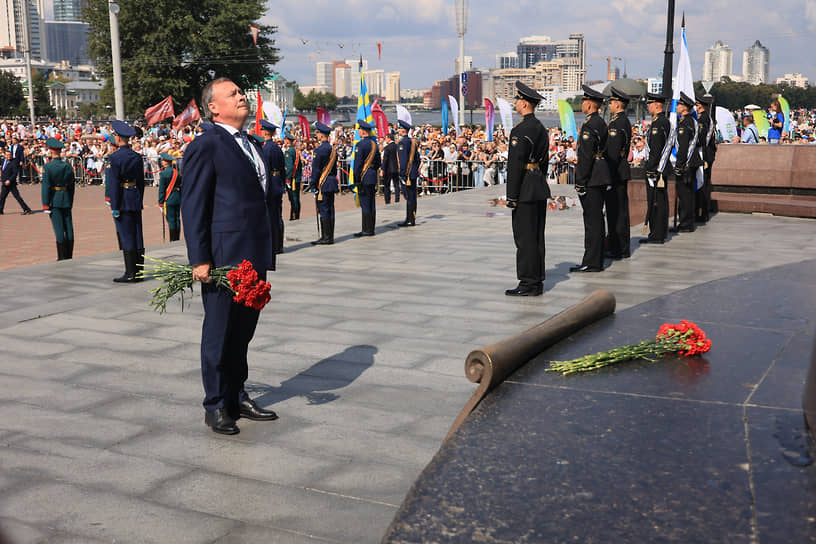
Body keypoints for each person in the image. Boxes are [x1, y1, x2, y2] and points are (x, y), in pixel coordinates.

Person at [181, 77, 278, 435]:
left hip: (253, 254)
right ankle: (217, 404)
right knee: (220, 332)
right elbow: (194, 206)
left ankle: (238, 393)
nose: (241, 97)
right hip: (224, 257)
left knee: (243, 332)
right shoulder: (207, 145)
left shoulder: (251, 143)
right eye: (233, 94)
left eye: (240, 93)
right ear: (213, 107)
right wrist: (200, 259)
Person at [504, 81, 550, 297]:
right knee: (537, 236)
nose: (515, 103)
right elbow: (545, 161)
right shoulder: (540, 127)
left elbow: (515, 166)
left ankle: (527, 282)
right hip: (538, 185)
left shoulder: (521, 130)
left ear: (523, 103)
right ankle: (537, 280)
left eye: (516, 100)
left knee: (524, 238)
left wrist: (511, 196)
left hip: (524, 189)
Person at [570, 85, 610, 273]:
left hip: (593, 177)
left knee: (592, 221)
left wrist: (580, 181)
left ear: (591, 104)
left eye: (585, 101)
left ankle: (592, 261)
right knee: (596, 219)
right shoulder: (600, 122)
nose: (583, 104)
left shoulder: (590, 125)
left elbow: (586, 156)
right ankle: (595, 258)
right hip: (600, 173)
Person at [108, 120, 146, 283]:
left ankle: (130, 273)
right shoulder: (136, 157)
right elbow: (141, 182)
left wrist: (114, 206)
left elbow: (114, 184)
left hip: (122, 198)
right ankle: (138, 271)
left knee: (126, 235)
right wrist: (139, 198)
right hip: (134, 197)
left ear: (117, 138)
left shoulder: (115, 157)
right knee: (137, 234)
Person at [604, 87, 633, 259]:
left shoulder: (616, 124)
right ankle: (620, 246)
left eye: (611, 102)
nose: (609, 105)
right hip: (621, 170)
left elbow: (613, 153)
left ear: (617, 104)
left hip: (616, 172)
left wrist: (607, 175)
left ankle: (619, 247)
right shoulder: (623, 121)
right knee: (618, 211)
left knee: (616, 212)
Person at [640, 92, 672, 244]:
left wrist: (650, 168)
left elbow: (656, 149)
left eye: (649, 103)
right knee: (658, 200)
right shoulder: (659, 121)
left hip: (656, 170)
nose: (648, 106)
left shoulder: (659, 123)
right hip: (659, 168)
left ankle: (657, 234)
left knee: (657, 202)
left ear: (657, 105)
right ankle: (658, 232)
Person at [40, 138, 75, 259]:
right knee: (69, 228)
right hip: (66, 198)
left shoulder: (48, 167)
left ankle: (61, 256)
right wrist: (70, 200)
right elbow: (72, 186)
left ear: (50, 151)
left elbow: (46, 187)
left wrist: (45, 204)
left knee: (59, 229)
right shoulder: (67, 166)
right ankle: (69, 254)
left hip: (54, 200)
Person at [673, 92, 702, 233]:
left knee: (684, 194)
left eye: (679, 104)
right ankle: (686, 222)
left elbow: (683, 147)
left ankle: (685, 223)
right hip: (693, 161)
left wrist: (679, 166)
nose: (677, 107)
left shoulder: (685, 123)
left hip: (687, 163)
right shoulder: (692, 121)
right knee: (688, 193)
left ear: (685, 108)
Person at [259, 119, 286, 263]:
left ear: (264, 132)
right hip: (278, 183)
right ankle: (279, 245)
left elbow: (264, 169)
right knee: (278, 215)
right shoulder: (276, 148)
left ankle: (273, 245)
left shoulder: (265, 149)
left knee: (270, 216)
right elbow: (282, 168)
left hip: (270, 183)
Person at [310, 122, 339, 245]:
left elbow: (316, 170)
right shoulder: (332, 149)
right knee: (330, 209)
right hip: (331, 182)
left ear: (322, 135)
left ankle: (326, 237)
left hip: (323, 183)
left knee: (324, 210)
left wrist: (313, 184)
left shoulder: (320, 150)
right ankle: (330, 235)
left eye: (317, 133)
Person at [352, 120, 381, 237]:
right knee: (371, 203)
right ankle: (371, 228)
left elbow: (358, 165)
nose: (358, 131)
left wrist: (356, 179)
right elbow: (378, 162)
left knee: (365, 203)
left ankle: (366, 229)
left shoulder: (360, 145)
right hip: (372, 175)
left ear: (363, 131)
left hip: (363, 177)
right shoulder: (374, 145)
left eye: (359, 129)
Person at [695, 94, 717, 224]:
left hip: (705, 155)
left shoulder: (703, 119)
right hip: (705, 154)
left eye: (697, 105)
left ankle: (701, 212)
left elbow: (701, 139)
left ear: (700, 105)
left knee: (702, 183)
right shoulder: (703, 118)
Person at [396, 120, 420, 227]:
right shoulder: (412, 142)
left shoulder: (402, 143)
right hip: (413, 173)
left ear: (403, 130)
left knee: (409, 196)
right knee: (412, 196)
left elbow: (403, 161)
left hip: (407, 174)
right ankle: (411, 218)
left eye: (399, 128)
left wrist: (402, 174)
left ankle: (410, 219)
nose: (398, 130)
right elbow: (418, 159)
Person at [157, 152, 182, 242]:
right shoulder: (177, 173)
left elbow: (162, 190)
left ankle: (172, 240)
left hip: (169, 199)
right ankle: (177, 238)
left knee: (171, 220)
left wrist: (160, 202)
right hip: (177, 197)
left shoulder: (163, 174)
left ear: (165, 162)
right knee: (177, 219)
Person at [0, 149, 32, 215]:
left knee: (17, 197)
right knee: (2, 197)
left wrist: (9, 180)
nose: (9, 156)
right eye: (7, 155)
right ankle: (0, 210)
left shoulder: (13, 162)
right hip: (4, 183)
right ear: (4, 155)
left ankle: (26, 209)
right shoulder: (3, 161)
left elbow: (14, 173)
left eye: (10, 155)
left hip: (11, 183)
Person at [283, 130, 302, 220]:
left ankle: (294, 216)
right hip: (297, 178)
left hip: (292, 179)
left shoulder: (288, 152)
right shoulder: (295, 151)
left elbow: (289, 167)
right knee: (296, 198)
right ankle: (296, 215)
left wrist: (287, 179)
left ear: (287, 140)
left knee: (293, 199)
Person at [380, 131, 400, 204]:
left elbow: (385, 160)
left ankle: (387, 200)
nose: (385, 139)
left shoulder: (387, 148)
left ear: (389, 138)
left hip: (388, 168)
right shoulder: (397, 146)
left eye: (386, 138)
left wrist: (382, 169)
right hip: (395, 167)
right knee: (396, 185)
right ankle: (397, 199)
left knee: (387, 185)